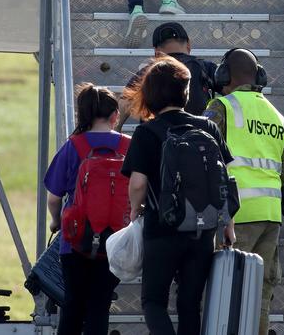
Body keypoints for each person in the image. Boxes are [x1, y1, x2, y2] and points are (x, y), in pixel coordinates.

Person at [121, 56, 235, 335]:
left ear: (149, 94)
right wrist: (228, 224)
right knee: (190, 304)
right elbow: (225, 179)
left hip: (162, 228)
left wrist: (135, 210)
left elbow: (137, 183)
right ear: (186, 92)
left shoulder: (147, 132)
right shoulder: (208, 127)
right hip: (202, 230)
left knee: (153, 301)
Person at [204, 48, 284, 335]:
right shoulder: (278, 117)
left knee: (225, 294)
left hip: (235, 214)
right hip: (271, 215)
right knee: (259, 296)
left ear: (224, 75)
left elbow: (203, 153)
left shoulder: (222, 107)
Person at [44, 84, 131, 335]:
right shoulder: (129, 146)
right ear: (115, 115)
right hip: (115, 240)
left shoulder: (74, 146)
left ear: (82, 115)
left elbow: (53, 197)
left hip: (75, 240)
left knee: (72, 305)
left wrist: (55, 222)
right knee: (99, 306)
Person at [116, 21, 217, 130]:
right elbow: (233, 91)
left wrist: (115, 137)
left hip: (155, 138)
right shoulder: (205, 68)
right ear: (188, 45)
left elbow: (123, 105)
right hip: (199, 139)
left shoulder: (146, 73)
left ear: (156, 52)